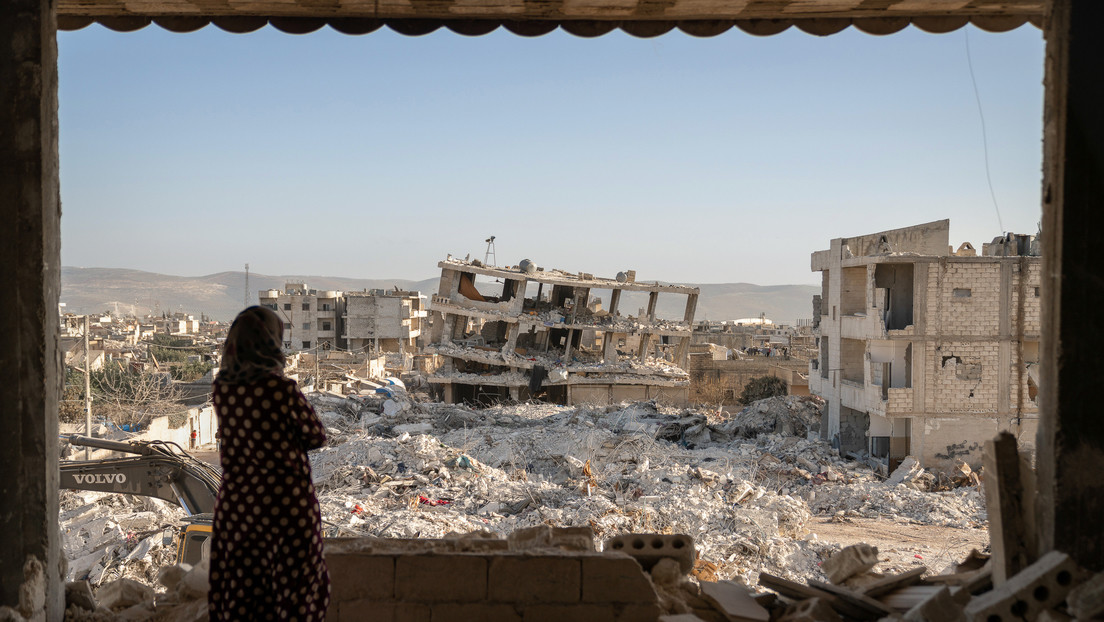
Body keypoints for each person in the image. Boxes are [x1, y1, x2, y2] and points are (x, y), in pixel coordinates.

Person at [208, 306, 330, 621]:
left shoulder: (222, 391)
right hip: (284, 505)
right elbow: (316, 435)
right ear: (269, 342)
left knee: (245, 593)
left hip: (239, 507)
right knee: (294, 592)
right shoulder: (281, 390)